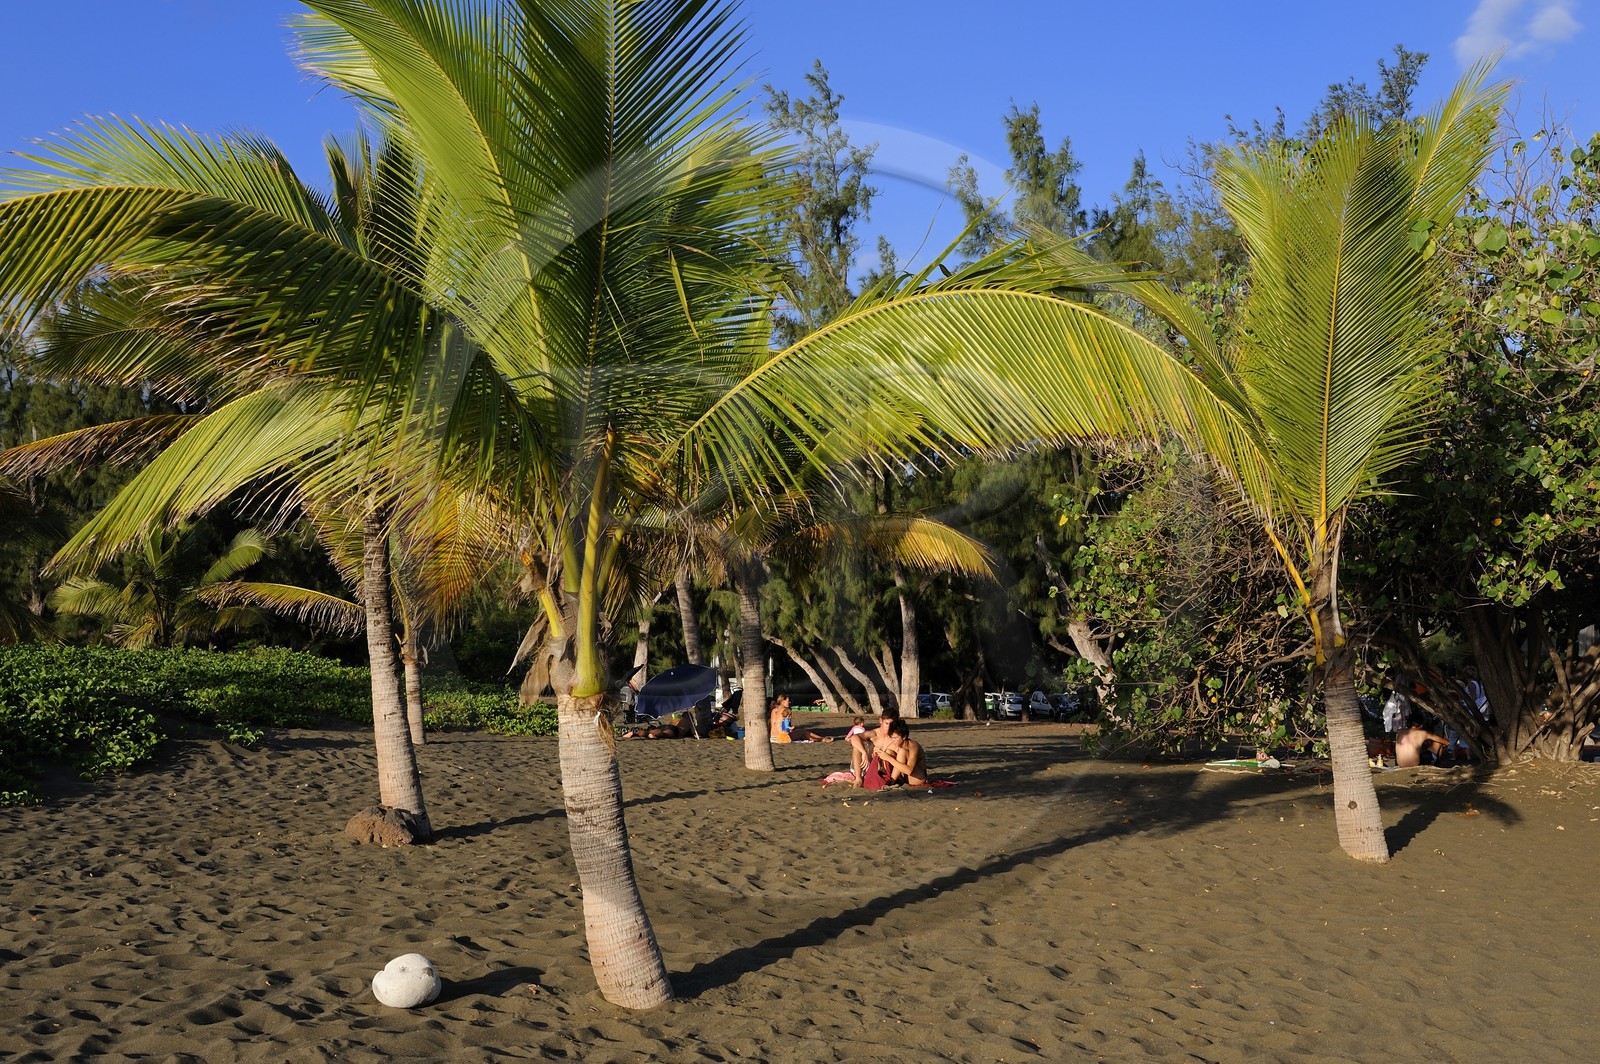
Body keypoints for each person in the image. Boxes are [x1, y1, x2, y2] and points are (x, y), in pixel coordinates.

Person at [867, 718, 929, 787]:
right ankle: (890, 780)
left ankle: (892, 781)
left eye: (895, 738)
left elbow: (909, 770)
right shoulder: (894, 744)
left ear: (904, 737)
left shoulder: (913, 746)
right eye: (891, 737)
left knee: (902, 752)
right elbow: (885, 756)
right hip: (903, 776)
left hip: (917, 778)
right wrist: (879, 753)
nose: (893, 740)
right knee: (888, 752)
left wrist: (889, 758)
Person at [848, 705, 899, 782]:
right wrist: (864, 752)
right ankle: (858, 779)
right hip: (868, 765)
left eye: (891, 724)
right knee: (857, 748)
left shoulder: (896, 737)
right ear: (881, 721)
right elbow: (854, 737)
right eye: (886, 723)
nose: (888, 727)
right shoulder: (874, 734)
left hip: (885, 768)